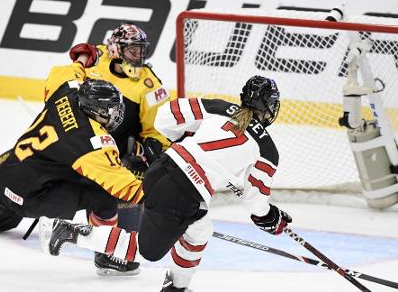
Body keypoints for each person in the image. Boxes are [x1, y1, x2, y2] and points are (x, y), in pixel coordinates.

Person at [39, 75, 293, 291]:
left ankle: (177, 287)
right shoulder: (267, 149)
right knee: (146, 251)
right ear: (270, 107)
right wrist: (270, 216)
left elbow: (166, 116)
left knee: (200, 229)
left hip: (162, 168)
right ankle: (70, 232)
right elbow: (254, 201)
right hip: (182, 193)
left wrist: (184, 141)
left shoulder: (218, 107)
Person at [0, 53, 145, 276]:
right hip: (32, 196)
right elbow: (126, 188)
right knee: (104, 196)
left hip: (5, 172)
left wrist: (82, 59)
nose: (116, 116)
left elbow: (65, 72)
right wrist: (163, 192)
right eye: (111, 111)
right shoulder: (91, 141)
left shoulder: (67, 91)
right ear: (96, 111)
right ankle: (106, 254)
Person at [68, 24, 171, 232]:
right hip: (80, 141)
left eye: (142, 50)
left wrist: (152, 150)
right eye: (133, 50)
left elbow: (158, 131)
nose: (139, 56)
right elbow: (72, 79)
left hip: (115, 155)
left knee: (123, 231)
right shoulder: (97, 59)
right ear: (115, 49)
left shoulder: (150, 87)